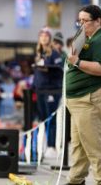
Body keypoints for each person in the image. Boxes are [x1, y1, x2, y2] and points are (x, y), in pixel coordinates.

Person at [65, 5, 101, 185]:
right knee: (79, 146)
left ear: (98, 21)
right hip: (81, 99)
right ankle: (75, 180)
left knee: (96, 145)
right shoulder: (88, 37)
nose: (81, 24)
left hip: (93, 96)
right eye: (79, 21)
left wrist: (77, 61)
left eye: (85, 21)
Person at [33, 27, 63, 159]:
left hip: (52, 90)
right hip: (41, 89)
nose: (44, 38)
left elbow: (59, 70)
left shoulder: (54, 53)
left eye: (46, 36)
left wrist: (46, 68)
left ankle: (52, 146)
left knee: (52, 118)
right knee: (43, 118)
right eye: (41, 36)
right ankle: (45, 143)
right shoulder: (39, 53)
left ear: (50, 38)